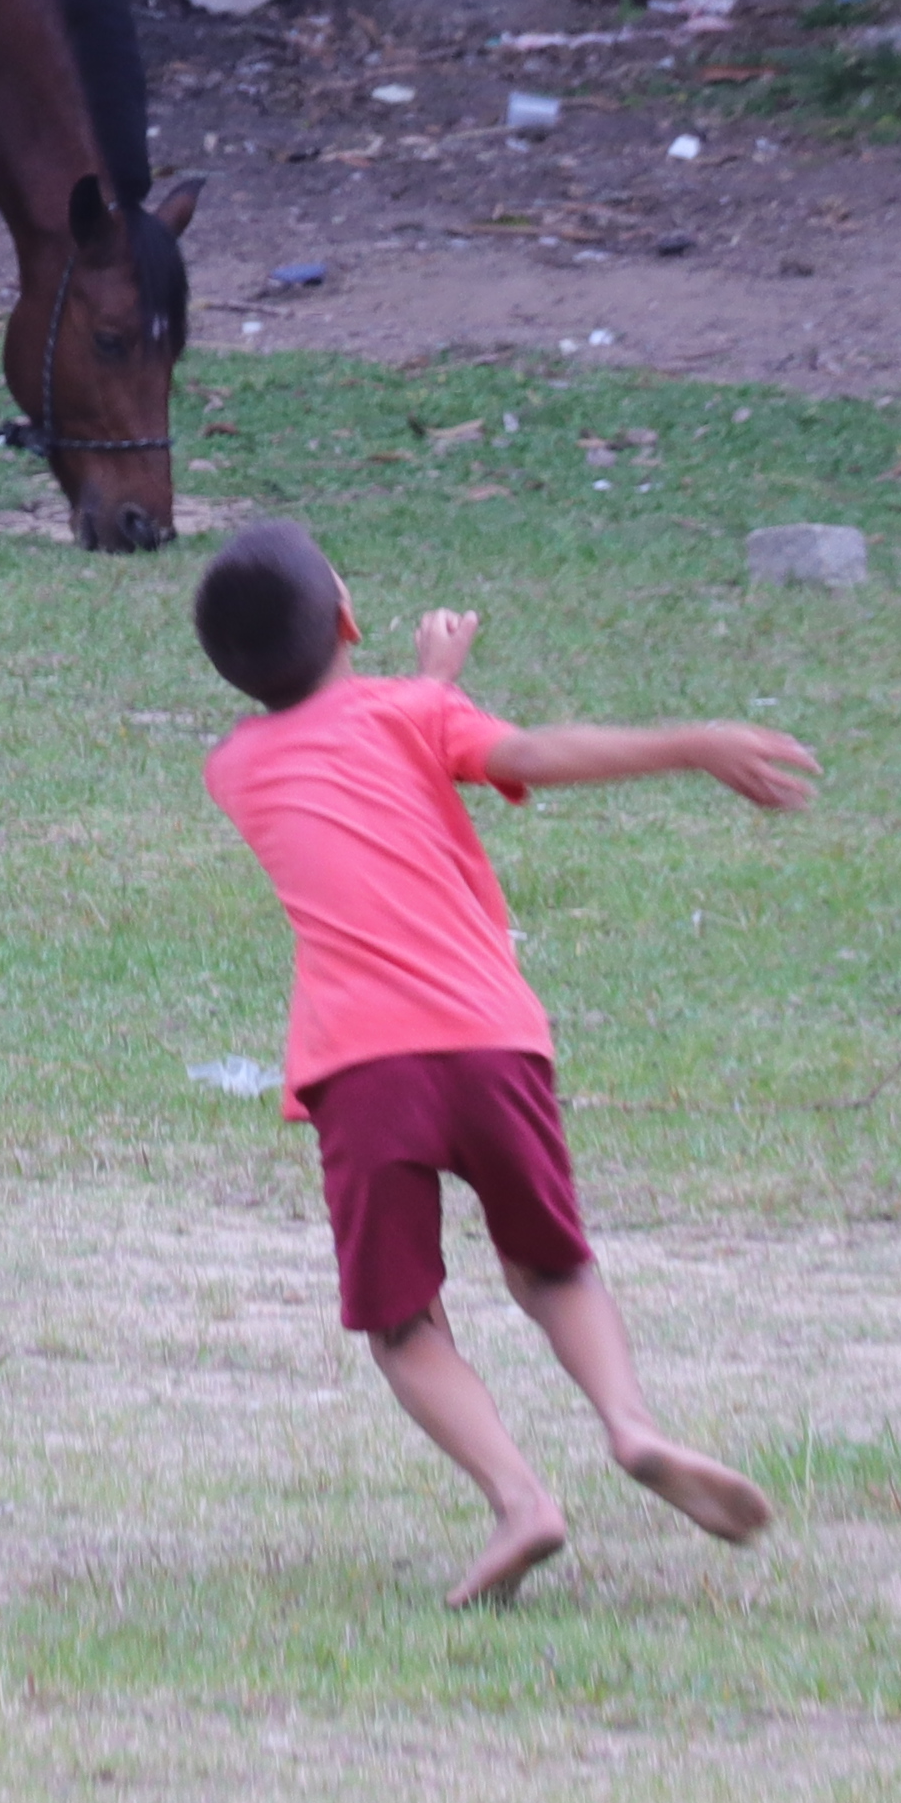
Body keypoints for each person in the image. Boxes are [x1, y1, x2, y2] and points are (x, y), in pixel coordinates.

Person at [191, 516, 817, 1607]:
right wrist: (691, 741)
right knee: (551, 1264)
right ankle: (630, 1426)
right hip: (491, 1041)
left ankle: (521, 1499)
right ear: (348, 617)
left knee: (402, 1323)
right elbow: (502, 754)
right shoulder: (419, 713)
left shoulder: (235, 767)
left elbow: (354, 742)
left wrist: (432, 688)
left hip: (361, 1071)